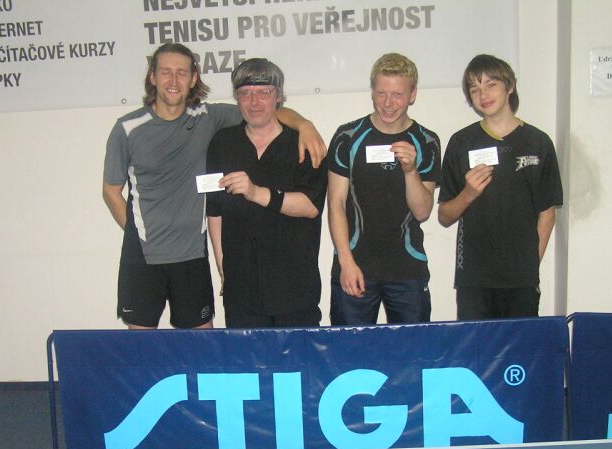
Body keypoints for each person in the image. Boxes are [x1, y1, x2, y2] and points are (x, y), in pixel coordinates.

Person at [102, 43, 325, 330]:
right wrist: (140, 233)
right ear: (152, 76)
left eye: (182, 73)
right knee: (142, 347)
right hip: (143, 256)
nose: (173, 80)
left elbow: (264, 110)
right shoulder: (127, 128)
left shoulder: (209, 118)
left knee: (203, 345)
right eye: (166, 72)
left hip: (193, 255)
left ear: (193, 78)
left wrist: (305, 124)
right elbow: (111, 191)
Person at [438, 54, 563, 320]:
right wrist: (468, 194)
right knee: (477, 346)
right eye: (474, 89)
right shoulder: (461, 142)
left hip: (521, 280)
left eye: (490, 84)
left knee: (520, 346)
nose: (483, 94)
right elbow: (444, 216)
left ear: (510, 86)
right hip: (474, 279)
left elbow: (547, 213)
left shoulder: (538, 142)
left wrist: (530, 266)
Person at [206, 58, 327, 328]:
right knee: (244, 356)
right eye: (245, 93)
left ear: (279, 96)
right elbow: (214, 211)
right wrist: (223, 266)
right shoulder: (222, 143)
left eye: (264, 92)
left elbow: (311, 206)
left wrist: (256, 192)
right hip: (242, 291)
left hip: (294, 286)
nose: (255, 102)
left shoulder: (303, 142)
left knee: (298, 356)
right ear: (236, 98)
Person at [327, 53, 440, 326]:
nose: (388, 103)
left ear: (413, 95)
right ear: (372, 92)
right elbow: (336, 204)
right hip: (354, 267)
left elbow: (423, 211)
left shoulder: (426, 141)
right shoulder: (347, 136)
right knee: (349, 351)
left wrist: (410, 170)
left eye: (397, 95)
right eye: (381, 93)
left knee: (412, 350)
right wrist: (346, 263)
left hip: (407, 270)